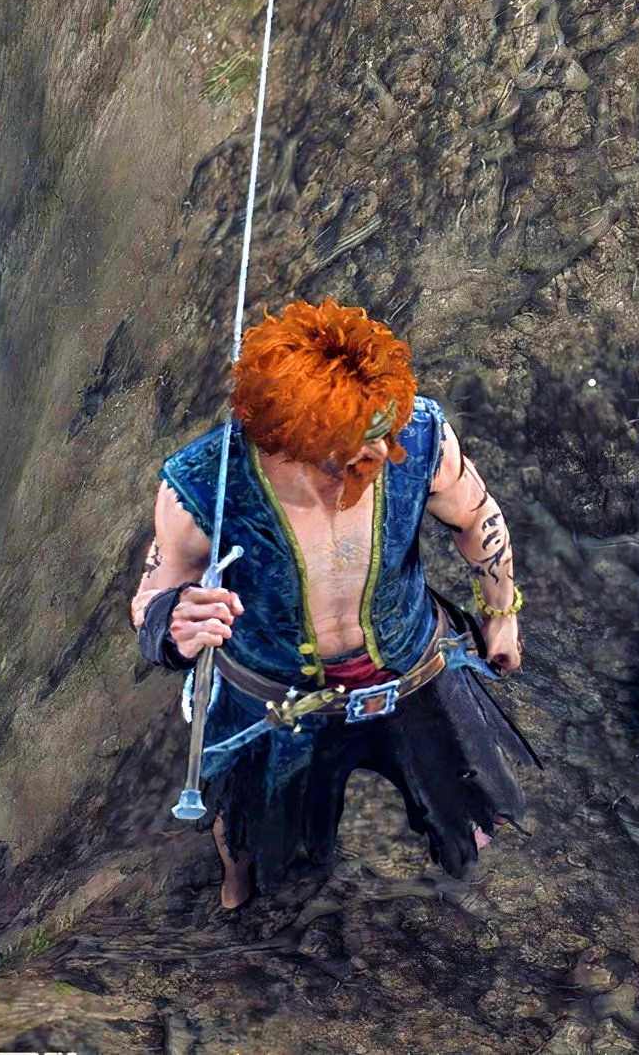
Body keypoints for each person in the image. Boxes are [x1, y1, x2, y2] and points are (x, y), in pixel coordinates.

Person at [128, 297, 538, 909]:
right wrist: (174, 623)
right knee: (254, 836)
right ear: (290, 439)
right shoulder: (203, 485)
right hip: (276, 697)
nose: (382, 455)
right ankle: (240, 885)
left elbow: (477, 518)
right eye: (357, 445)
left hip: (411, 666)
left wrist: (501, 614)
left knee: (468, 805)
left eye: (383, 433)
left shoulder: (419, 435)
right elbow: (151, 598)